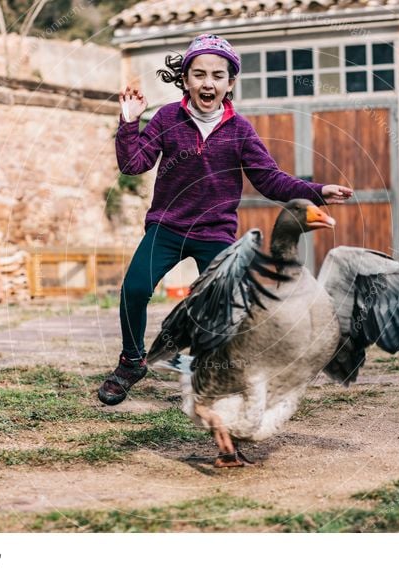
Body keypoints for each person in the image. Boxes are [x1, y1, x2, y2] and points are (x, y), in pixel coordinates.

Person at [99, 33, 353, 406]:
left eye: (218, 75)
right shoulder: (168, 118)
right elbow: (132, 164)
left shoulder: (240, 130)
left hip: (215, 232)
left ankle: (222, 371)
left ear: (230, 83)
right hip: (167, 228)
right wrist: (129, 121)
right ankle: (132, 362)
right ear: (185, 79)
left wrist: (316, 191)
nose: (208, 82)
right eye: (199, 74)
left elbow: (269, 179)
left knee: (231, 306)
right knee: (134, 289)